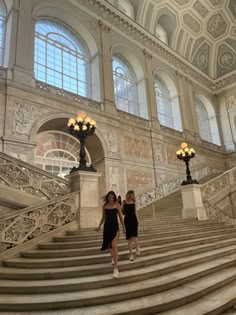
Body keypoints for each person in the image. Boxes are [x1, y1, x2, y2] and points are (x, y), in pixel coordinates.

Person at [95, 191, 125, 279]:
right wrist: (99, 226)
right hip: (107, 227)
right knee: (109, 246)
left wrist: (124, 227)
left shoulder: (117, 205)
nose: (111, 199)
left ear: (114, 197)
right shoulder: (104, 206)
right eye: (109, 197)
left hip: (115, 227)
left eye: (112, 197)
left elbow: (120, 217)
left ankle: (116, 269)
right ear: (107, 197)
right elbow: (103, 217)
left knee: (114, 246)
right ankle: (113, 257)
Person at [123, 190, 140, 261]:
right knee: (129, 238)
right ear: (129, 195)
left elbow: (136, 212)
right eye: (133, 194)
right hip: (127, 220)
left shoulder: (134, 202)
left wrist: (138, 220)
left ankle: (137, 248)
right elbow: (121, 211)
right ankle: (131, 255)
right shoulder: (124, 202)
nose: (134, 196)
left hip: (133, 220)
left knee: (134, 236)